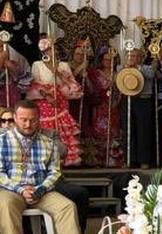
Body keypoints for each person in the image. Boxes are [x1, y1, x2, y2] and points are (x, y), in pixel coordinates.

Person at [0, 101, 85, 234]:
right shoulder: (2, 141)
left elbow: (54, 172)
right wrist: (21, 190)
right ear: (15, 118)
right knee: (6, 205)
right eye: (23, 119)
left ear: (39, 119)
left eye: (32, 120)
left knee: (66, 206)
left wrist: (40, 190)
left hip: (41, 190)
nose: (28, 124)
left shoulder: (48, 142)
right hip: (12, 190)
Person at [26, 39, 83, 167]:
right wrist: (47, 96)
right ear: (43, 51)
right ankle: (45, 160)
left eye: (53, 48)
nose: (52, 51)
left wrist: (58, 73)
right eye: (48, 49)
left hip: (61, 102)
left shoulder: (63, 65)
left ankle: (65, 160)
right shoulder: (37, 65)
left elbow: (72, 85)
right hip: (44, 103)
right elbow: (34, 85)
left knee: (62, 130)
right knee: (47, 129)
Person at [82, 45, 124, 167]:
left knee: (114, 132)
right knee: (99, 132)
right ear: (101, 60)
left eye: (110, 59)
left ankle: (113, 160)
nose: (108, 62)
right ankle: (99, 160)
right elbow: (91, 89)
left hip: (114, 106)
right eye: (106, 59)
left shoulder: (118, 73)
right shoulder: (95, 73)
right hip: (100, 106)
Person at [0, 40, 30, 108]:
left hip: (13, 101)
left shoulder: (14, 63)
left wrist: (11, 67)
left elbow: (26, 83)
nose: (2, 49)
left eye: (2, 46)